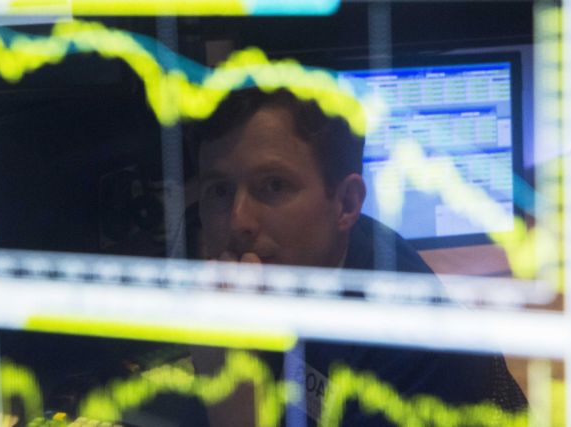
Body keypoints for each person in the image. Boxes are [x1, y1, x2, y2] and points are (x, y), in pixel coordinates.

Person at [192, 87, 527, 426]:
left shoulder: (418, 349)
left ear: (347, 204)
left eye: (274, 186)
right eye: (219, 191)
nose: (238, 220)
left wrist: (230, 391)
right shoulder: (296, 266)